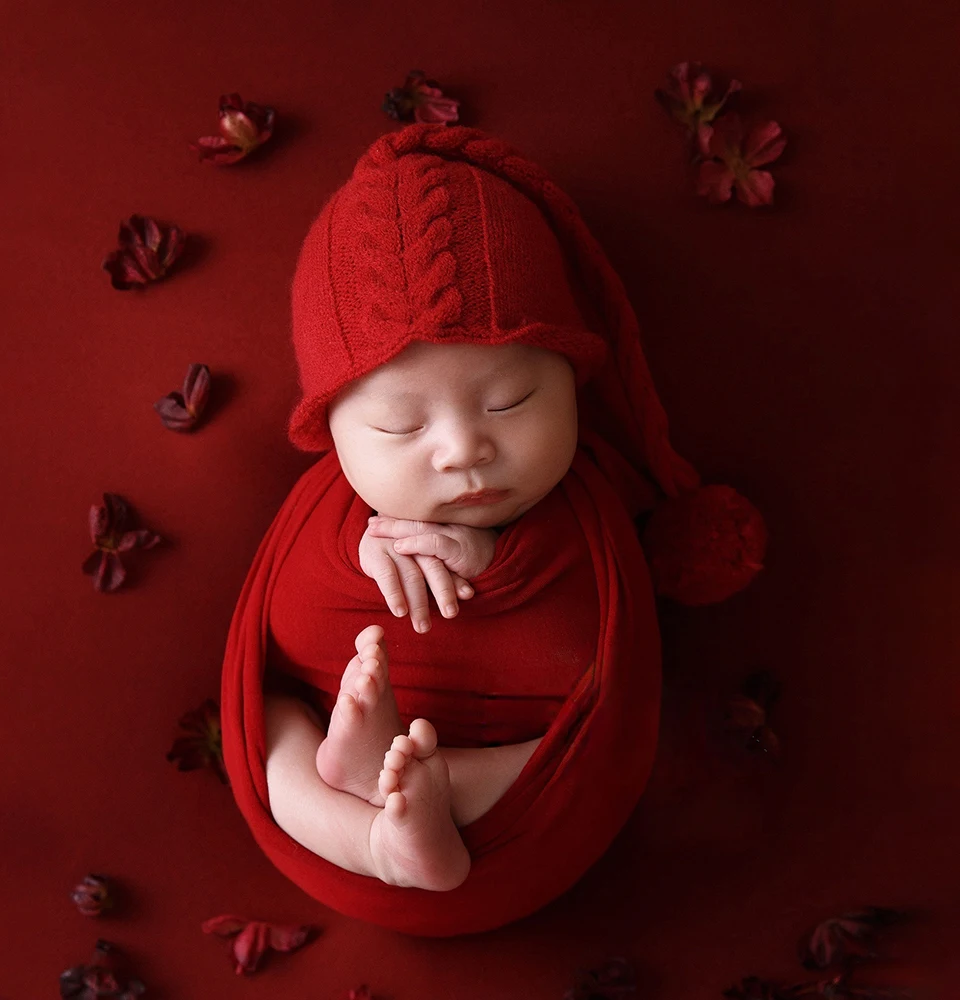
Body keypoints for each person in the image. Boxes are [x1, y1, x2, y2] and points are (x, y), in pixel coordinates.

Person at [220, 121, 762, 935]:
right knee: (278, 732)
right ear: (328, 434)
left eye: (510, 403)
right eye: (400, 428)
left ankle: (424, 792)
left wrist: (494, 559)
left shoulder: (588, 503)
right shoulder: (329, 505)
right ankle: (373, 833)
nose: (465, 449)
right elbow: (285, 615)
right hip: (330, 789)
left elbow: (598, 644)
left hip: (522, 794)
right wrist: (367, 543)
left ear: (576, 383)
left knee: (577, 744)